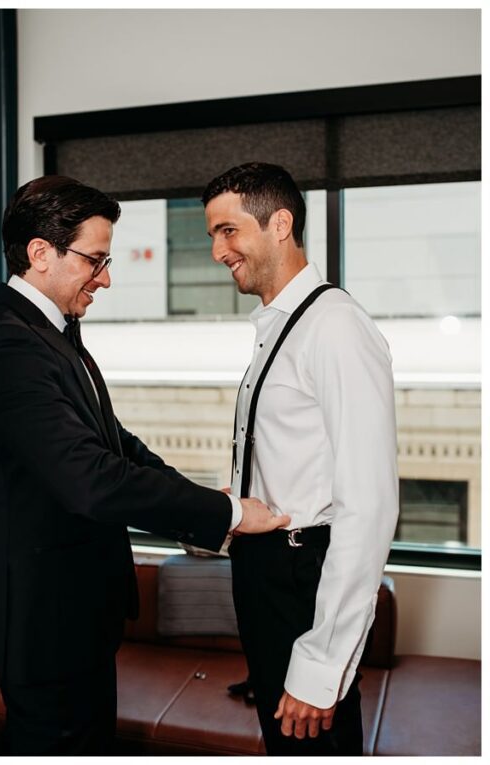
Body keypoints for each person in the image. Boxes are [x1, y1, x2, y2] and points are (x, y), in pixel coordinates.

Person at [0, 175, 288, 755]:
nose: (106, 278)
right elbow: (90, 480)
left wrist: (206, 503)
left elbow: (116, 446)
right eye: (94, 261)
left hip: (79, 618)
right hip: (45, 626)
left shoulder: (54, 334)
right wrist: (225, 513)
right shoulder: (11, 346)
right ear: (40, 253)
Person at [202, 162, 398, 755]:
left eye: (228, 231)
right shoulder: (276, 327)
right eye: (213, 234)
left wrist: (323, 665)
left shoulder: (335, 327)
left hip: (302, 578)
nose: (217, 251)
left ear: (279, 223)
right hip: (266, 572)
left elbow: (368, 506)